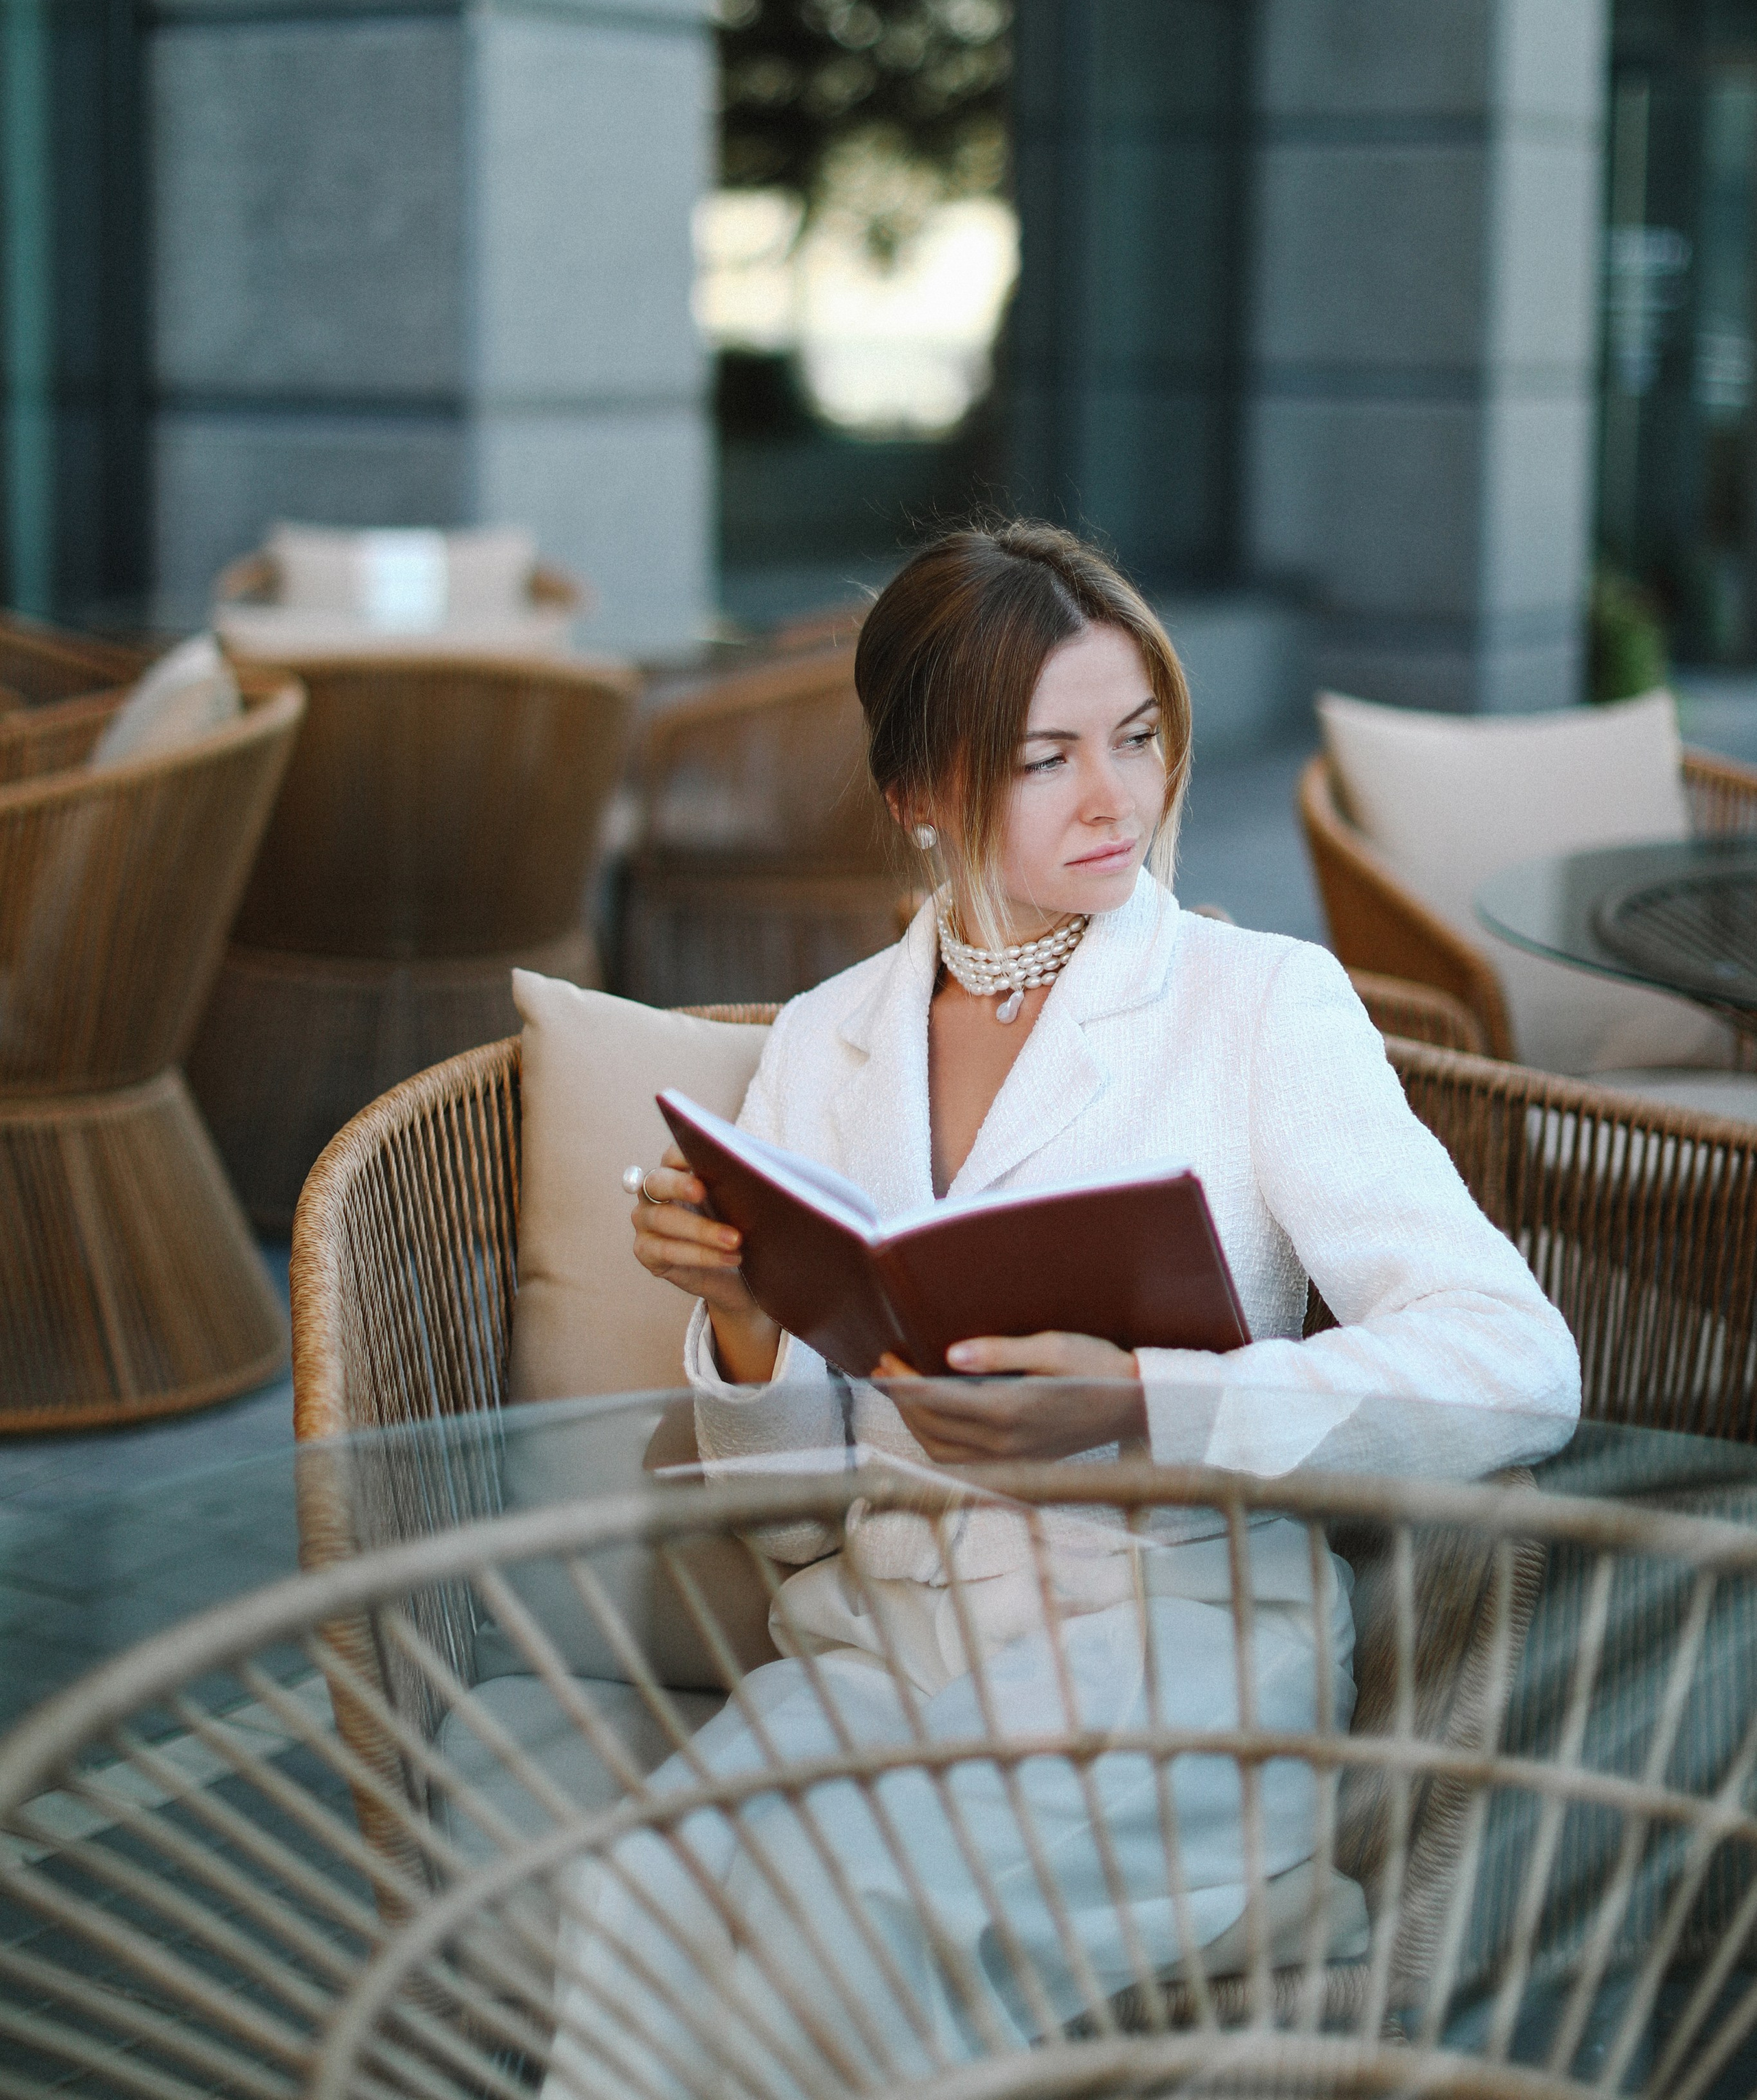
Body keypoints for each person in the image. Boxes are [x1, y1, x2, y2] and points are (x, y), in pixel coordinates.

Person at [546, 520, 1579, 2097]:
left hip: (1166, 1673)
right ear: (917, 795)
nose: (1117, 797)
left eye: (1139, 737)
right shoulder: (825, 1046)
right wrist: (748, 1320)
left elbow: (1515, 1362)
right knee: (637, 1895)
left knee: (840, 1940)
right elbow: (790, 1528)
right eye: (1046, 759)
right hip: (874, 1657)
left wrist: (1143, 1403)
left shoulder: (1257, 1009)